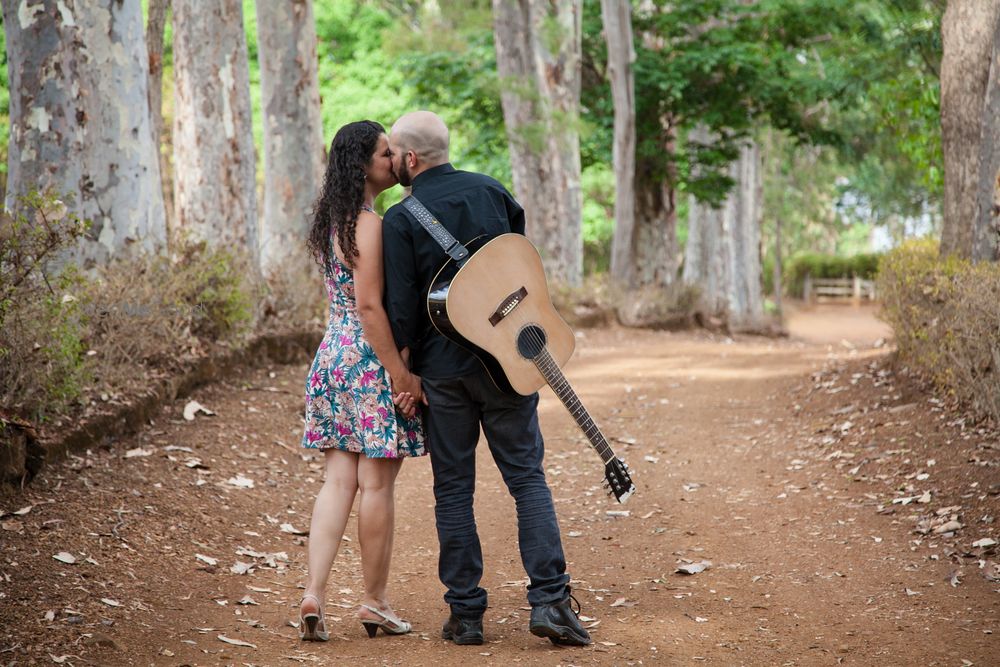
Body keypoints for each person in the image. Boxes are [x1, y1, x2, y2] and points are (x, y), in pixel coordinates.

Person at [378, 110, 592, 647]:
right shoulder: (493, 192)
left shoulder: (400, 220)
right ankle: (550, 602)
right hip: (508, 365)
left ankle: (467, 616)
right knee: (526, 480)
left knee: (453, 490)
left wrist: (405, 377)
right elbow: (519, 269)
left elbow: (401, 309)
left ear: (409, 159)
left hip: (442, 374)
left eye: (394, 155)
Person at [298, 120, 426, 642]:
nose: (392, 160)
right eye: (383, 154)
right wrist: (401, 374)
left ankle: (313, 593)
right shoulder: (370, 225)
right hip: (370, 358)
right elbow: (370, 307)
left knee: (337, 482)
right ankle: (374, 602)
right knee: (375, 486)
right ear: (364, 165)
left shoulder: (332, 218)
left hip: (333, 355)